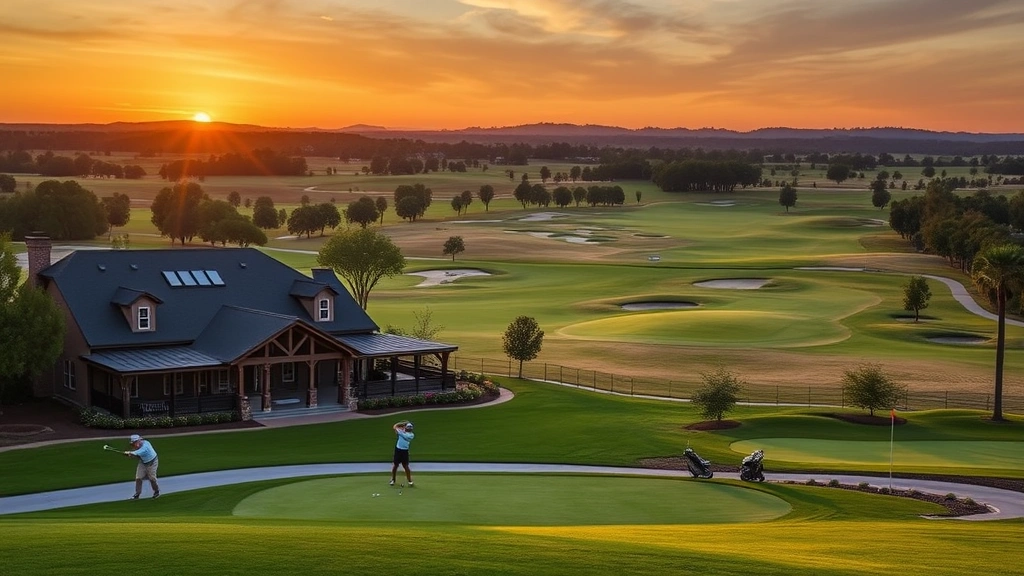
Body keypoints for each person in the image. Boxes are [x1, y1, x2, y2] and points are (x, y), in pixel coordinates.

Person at [124, 433, 160, 499]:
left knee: (152, 479)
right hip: (143, 462)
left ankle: (156, 491)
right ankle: (137, 494)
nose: (134, 444)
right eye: (133, 443)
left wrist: (130, 453)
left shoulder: (146, 445)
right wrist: (130, 454)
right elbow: (137, 454)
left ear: (139, 440)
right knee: (138, 477)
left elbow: (139, 452)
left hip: (152, 462)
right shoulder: (137, 446)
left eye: (135, 442)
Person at [390, 420, 414, 487]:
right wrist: (402, 423)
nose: (409, 429)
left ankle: (409, 481)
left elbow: (402, 434)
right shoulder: (401, 431)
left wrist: (401, 429)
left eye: (410, 428)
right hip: (398, 450)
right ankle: (393, 480)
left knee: (405, 466)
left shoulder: (411, 435)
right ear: (406, 427)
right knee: (395, 465)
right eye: (408, 427)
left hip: (405, 451)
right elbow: (395, 426)